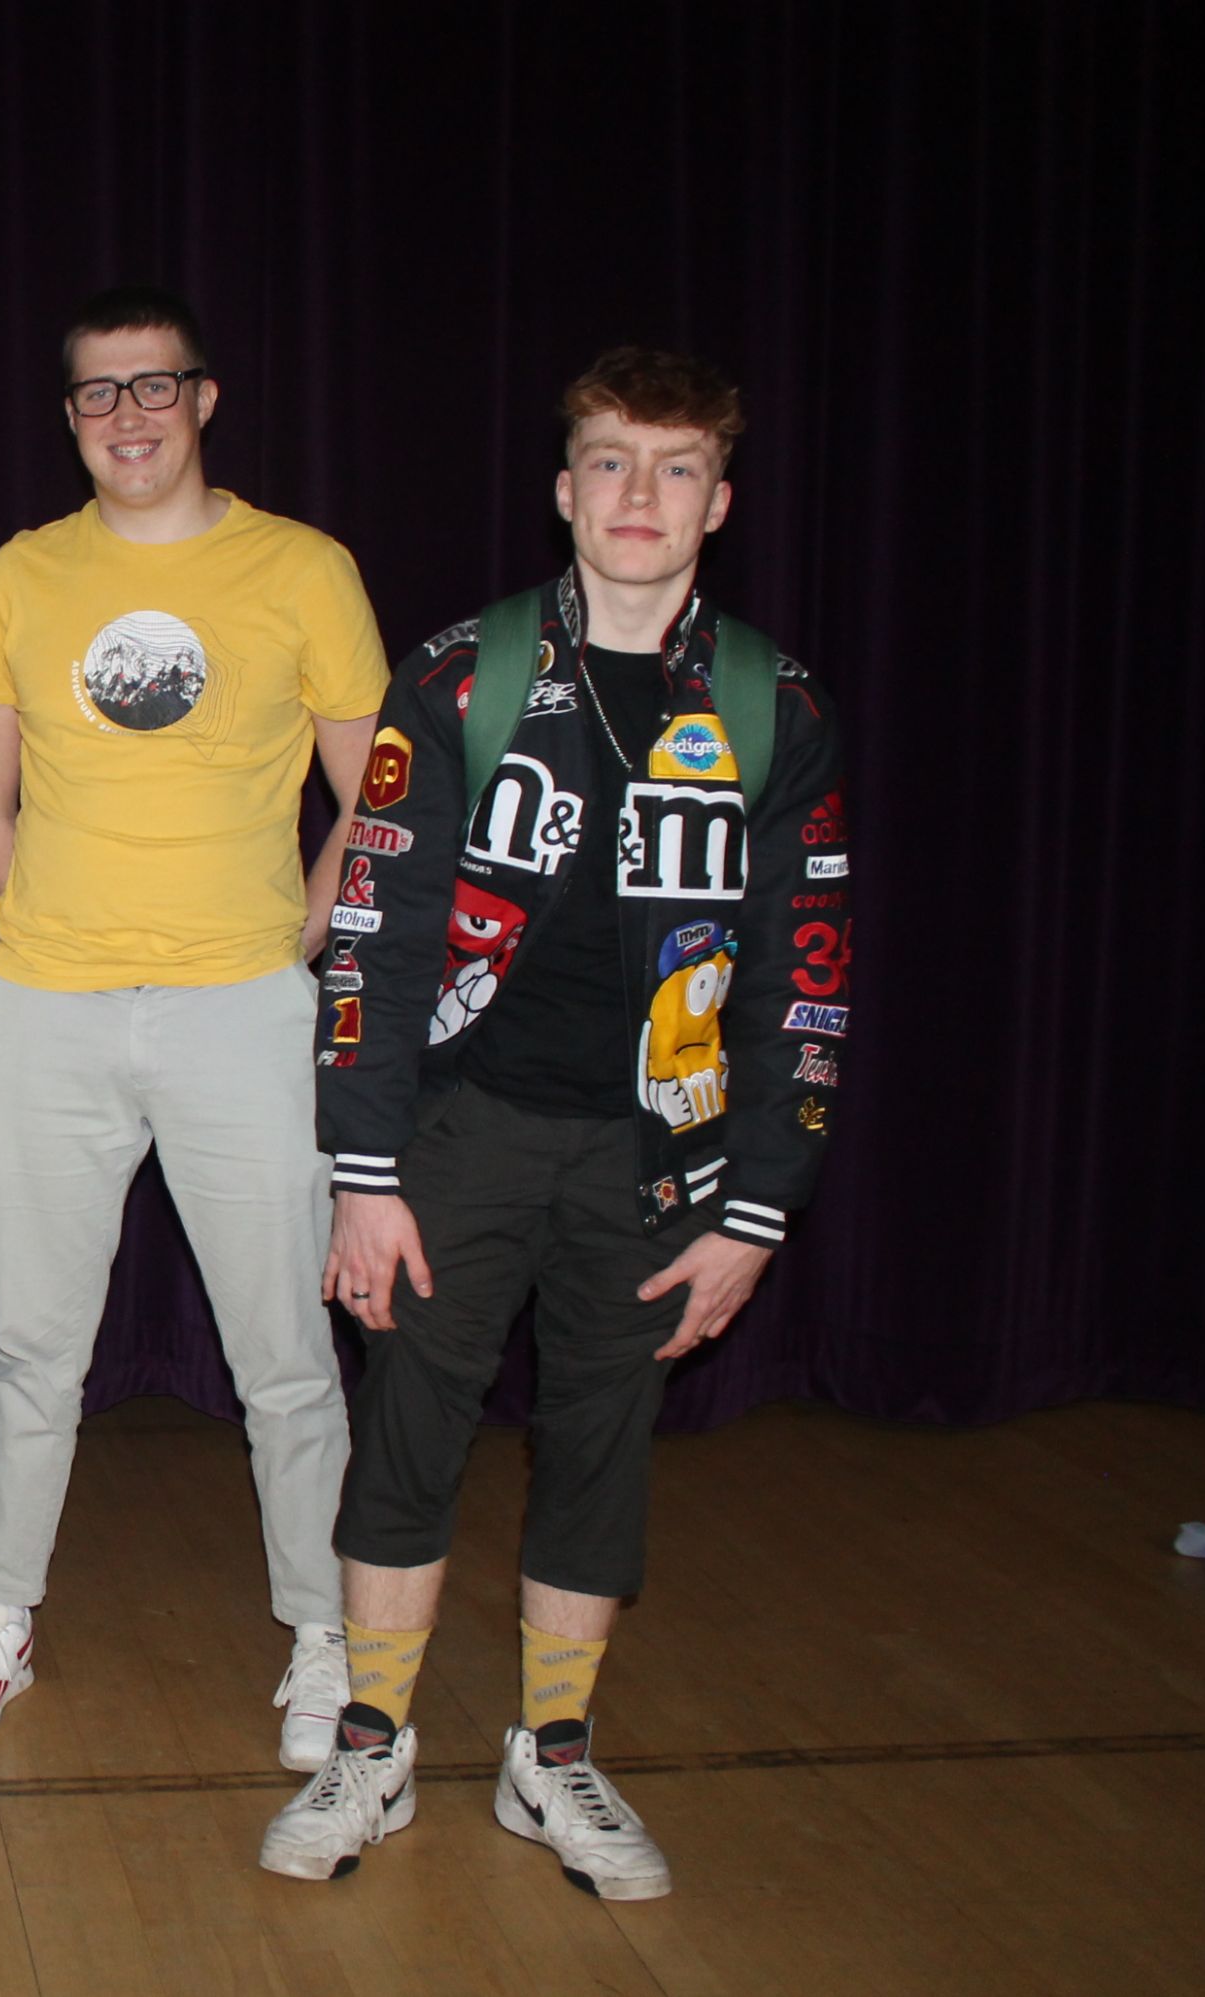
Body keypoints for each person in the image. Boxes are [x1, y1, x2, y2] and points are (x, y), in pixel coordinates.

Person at [264, 348, 848, 1897]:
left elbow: (807, 980)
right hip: (463, 1130)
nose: (637, 496)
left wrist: (757, 1210)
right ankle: (373, 1740)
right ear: (563, 487)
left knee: (605, 1439)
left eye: (672, 469)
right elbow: (376, 930)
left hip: (666, 1148)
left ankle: (556, 1757)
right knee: (409, 1424)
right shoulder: (462, 675)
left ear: (719, 502)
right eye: (607, 462)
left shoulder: (773, 705)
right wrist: (365, 1173)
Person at [0, 286, 389, 1774]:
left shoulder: (303, 569)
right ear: (69, 419)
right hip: (45, 1009)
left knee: (286, 1353)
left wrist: (291, 940)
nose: (127, 416)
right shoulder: (17, 576)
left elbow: (377, 791)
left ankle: (329, 1637)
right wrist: (52, 923)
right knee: (29, 1349)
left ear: (204, 399)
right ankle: (1, 1616)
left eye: (152, 387)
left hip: (241, 1010)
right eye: (97, 394)